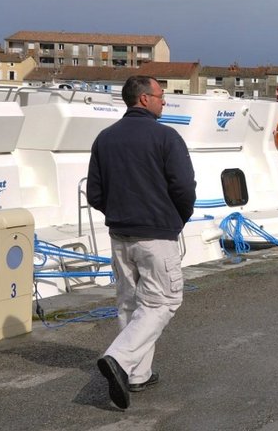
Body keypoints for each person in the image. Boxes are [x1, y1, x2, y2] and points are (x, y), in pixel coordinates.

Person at [86, 76, 196, 410]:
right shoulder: (166, 137)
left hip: (120, 236)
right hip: (156, 235)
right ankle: (118, 358)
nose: (165, 101)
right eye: (161, 96)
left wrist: (120, 213)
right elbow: (184, 188)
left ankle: (137, 374)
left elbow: (95, 194)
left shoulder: (104, 139)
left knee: (131, 305)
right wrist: (175, 218)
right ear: (144, 99)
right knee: (163, 302)